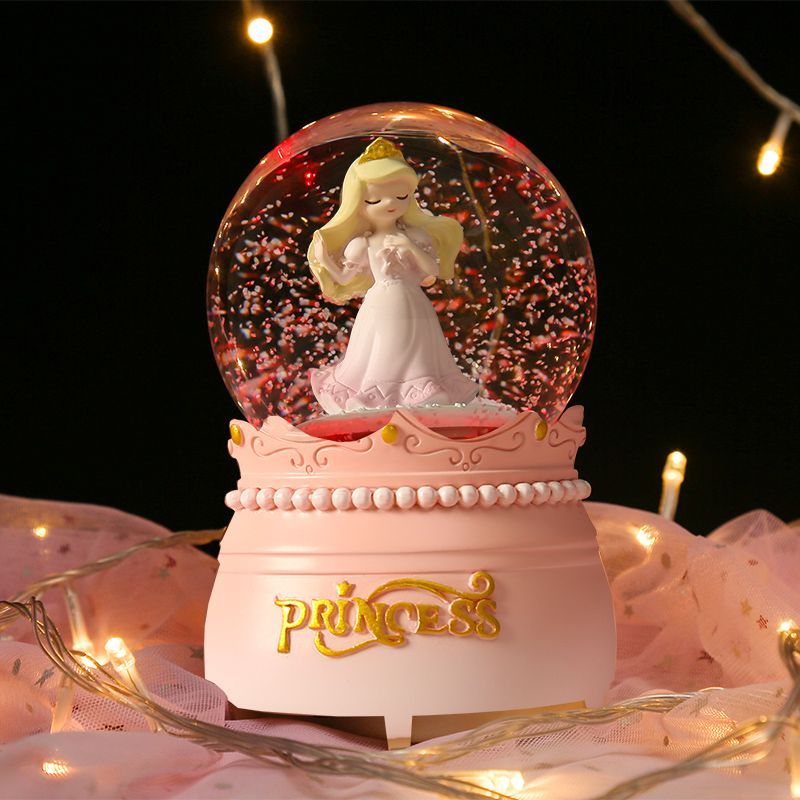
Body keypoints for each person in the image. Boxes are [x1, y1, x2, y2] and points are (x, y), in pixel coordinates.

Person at [307, 138, 480, 414]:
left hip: (413, 302)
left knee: (417, 350)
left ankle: (422, 391)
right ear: (358, 203)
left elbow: (432, 270)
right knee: (384, 350)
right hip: (380, 304)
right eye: (375, 199)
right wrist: (324, 258)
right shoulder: (363, 244)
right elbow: (343, 278)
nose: (390, 204)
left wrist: (409, 246)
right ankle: (376, 395)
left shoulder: (416, 236)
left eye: (401, 196)